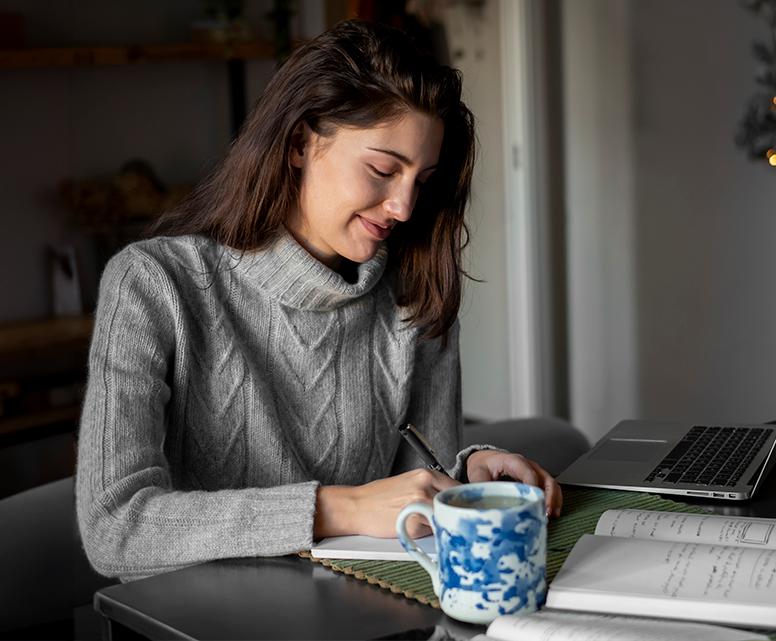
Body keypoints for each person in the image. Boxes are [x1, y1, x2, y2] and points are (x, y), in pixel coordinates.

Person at [75, 20, 561, 582]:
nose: (403, 207)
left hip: (363, 613)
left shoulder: (413, 293)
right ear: (301, 143)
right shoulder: (154, 284)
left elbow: (410, 489)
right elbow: (115, 528)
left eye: (421, 180)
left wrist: (465, 474)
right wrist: (337, 508)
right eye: (383, 169)